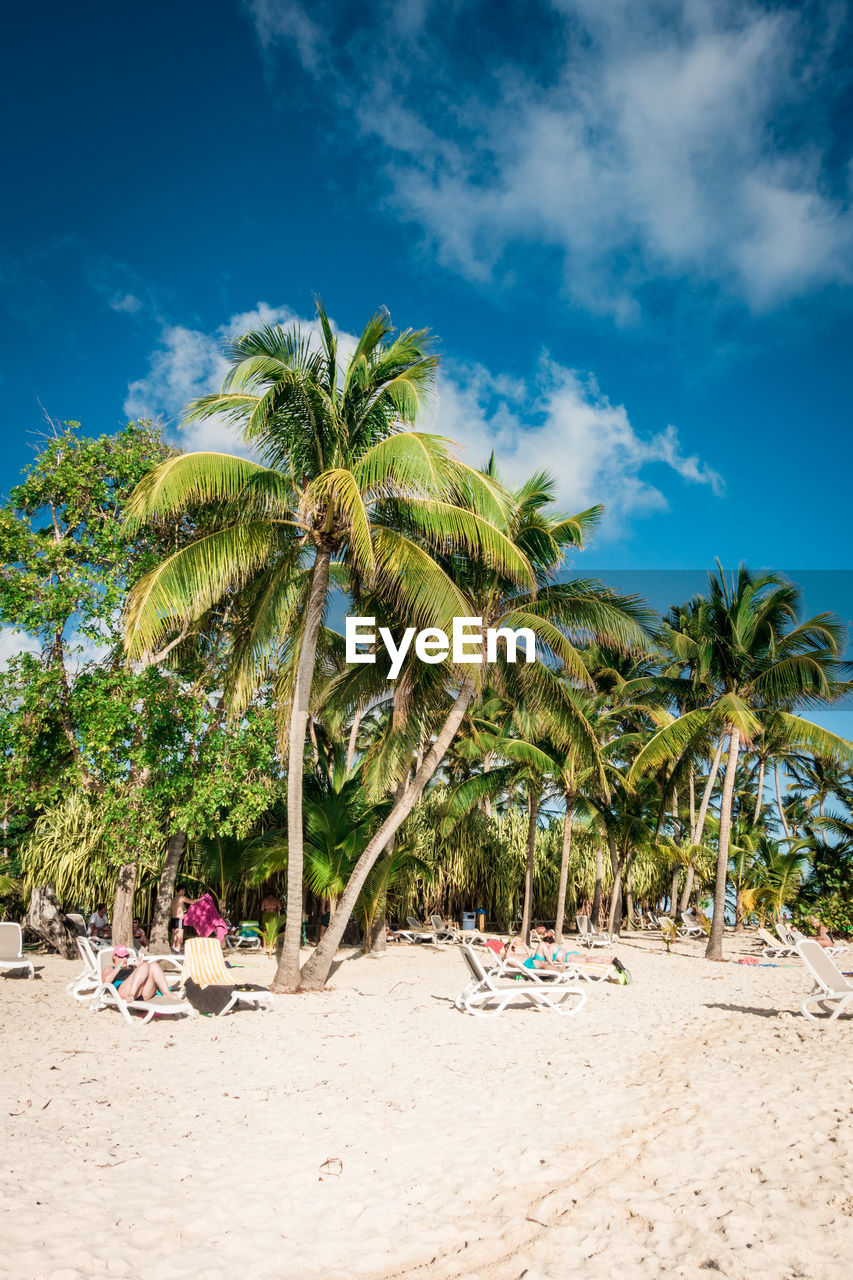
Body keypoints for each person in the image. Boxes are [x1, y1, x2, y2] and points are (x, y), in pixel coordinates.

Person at [101, 947, 171, 1000]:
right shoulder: (110, 968)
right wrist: (119, 967)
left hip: (143, 993)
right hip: (124, 991)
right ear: (114, 956)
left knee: (153, 965)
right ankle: (132, 994)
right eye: (120, 957)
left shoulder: (132, 966)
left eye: (126, 956)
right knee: (145, 965)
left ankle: (167, 993)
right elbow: (105, 981)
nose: (124, 959)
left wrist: (138, 967)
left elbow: (141, 976)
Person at [169, 885, 199, 951]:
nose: (185, 892)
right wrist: (201, 899)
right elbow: (192, 902)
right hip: (179, 919)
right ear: (181, 890)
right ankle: (177, 950)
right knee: (180, 937)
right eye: (184, 890)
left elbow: (170, 910)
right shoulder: (182, 897)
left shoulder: (173, 899)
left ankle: (173, 948)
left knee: (174, 935)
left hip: (173, 919)